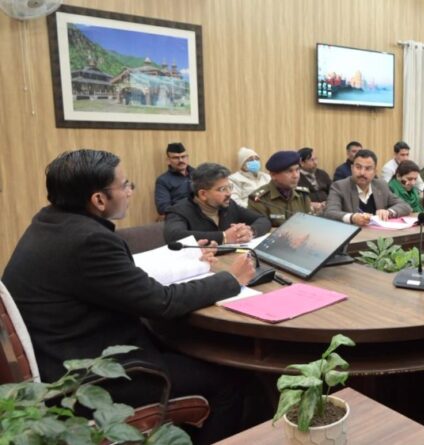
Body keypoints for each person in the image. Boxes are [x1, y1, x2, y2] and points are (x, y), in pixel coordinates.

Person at [2, 149, 257, 443]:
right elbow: (162, 302)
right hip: (95, 377)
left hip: (59, 356)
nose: (130, 191)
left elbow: (118, 281)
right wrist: (231, 279)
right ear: (99, 200)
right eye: (125, 185)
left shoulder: (48, 222)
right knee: (231, 380)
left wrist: (189, 263)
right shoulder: (90, 241)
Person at [164, 163, 271, 244]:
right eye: (222, 189)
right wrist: (224, 237)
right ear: (203, 194)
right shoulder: (179, 211)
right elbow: (174, 236)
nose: (229, 193)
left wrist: (250, 231)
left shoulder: (229, 205)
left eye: (229, 187)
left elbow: (263, 220)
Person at [324, 149, 412, 226]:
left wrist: (388, 212)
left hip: (378, 235)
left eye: (368, 168)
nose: (362, 173)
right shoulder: (339, 186)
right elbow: (330, 213)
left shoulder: (381, 185)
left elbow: (405, 206)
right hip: (353, 237)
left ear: (375, 171)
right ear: (352, 168)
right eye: (358, 167)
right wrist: (352, 217)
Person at [248, 151, 312, 227]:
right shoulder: (259, 199)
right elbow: (260, 229)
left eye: (297, 170)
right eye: (289, 171)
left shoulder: (302, 195)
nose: (296, 176)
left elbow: (309, 225)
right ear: (273, 175)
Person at [155, 142, 194, 217]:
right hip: (180, 216)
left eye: (183, 156)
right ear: (168, 160)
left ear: (187, 157)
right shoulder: (163, 180)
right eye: (176, 158)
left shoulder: (198, 174)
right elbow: (163, 208)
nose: (181, 160)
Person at [297, 147, 332, 214]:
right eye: (311, 160)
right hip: (307, 212)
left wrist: (328, 202)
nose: (315, 163)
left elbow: (333, 191)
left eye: (316, 159)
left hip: (327, 209)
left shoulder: (322, 174)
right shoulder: (296, 177)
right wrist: (310, 204)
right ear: (301, 162)